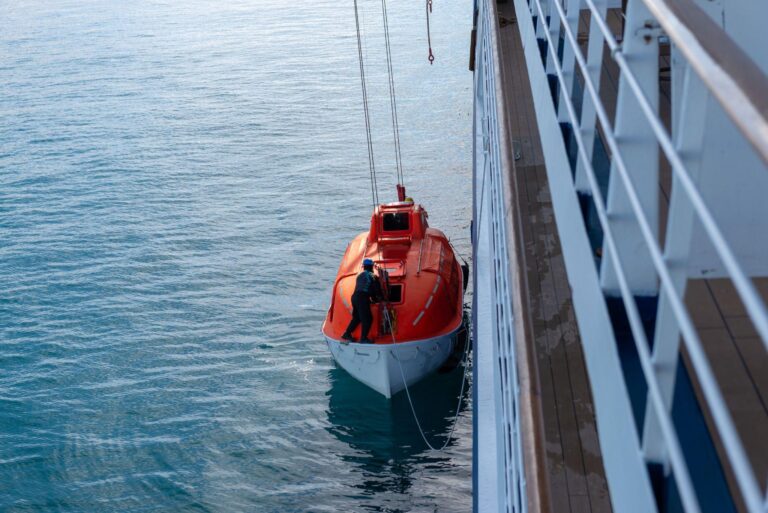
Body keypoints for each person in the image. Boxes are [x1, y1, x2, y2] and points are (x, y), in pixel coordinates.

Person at [341, 258, 383, 344]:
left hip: (355, 297)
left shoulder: (359, 276)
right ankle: (363, 339)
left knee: (357, 318)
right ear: (371, 267)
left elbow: (363, 287)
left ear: (364, 267)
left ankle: (347, 334)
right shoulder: (373, 276)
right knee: (368, 319)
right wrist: (379, 299)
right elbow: (376, 291)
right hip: (362, 298)